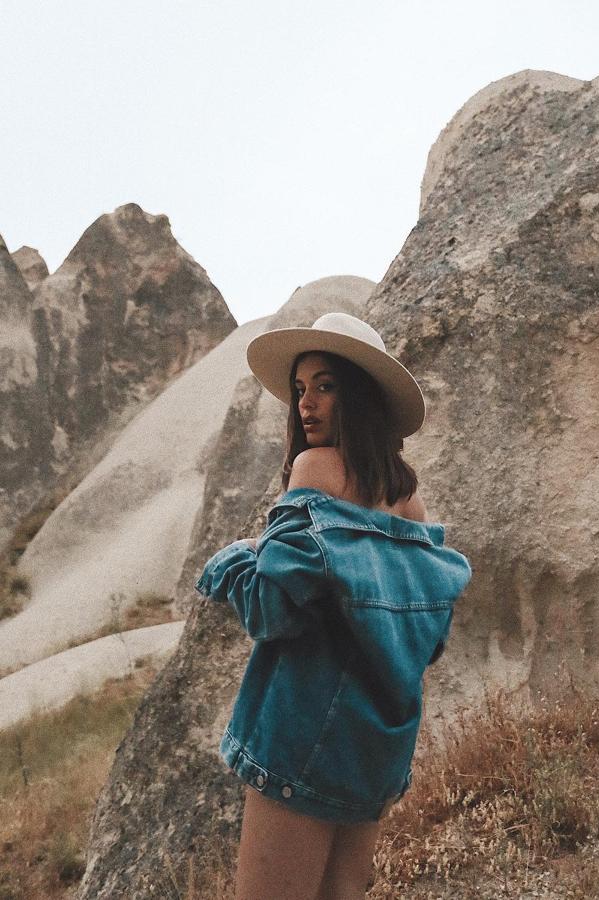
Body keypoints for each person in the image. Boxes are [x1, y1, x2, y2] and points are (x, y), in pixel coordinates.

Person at [195, 312, 472, 899]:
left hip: (300, 734)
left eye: (325, 385)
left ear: (359, 394)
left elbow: (272, 610)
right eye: (299, 390)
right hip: (375, 748)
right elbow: (430, 638)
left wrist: (235, 558)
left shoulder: (314, 468)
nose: (306, 404)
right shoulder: (411, 500)